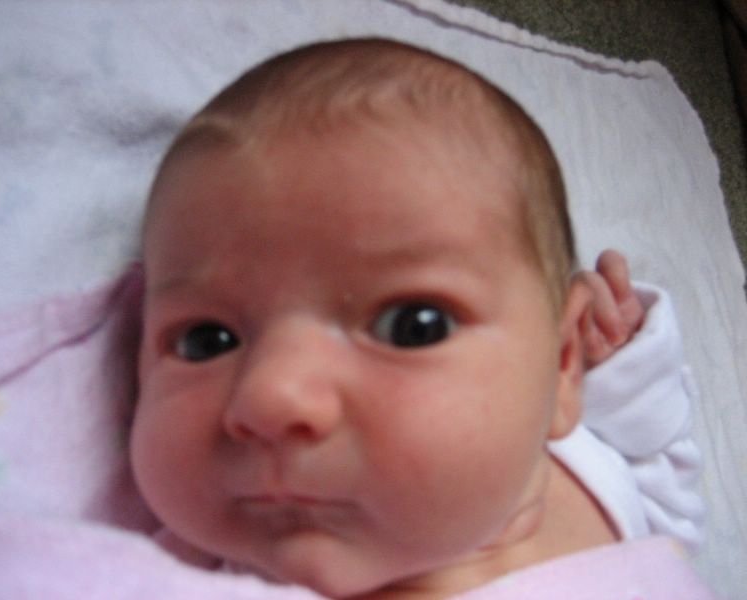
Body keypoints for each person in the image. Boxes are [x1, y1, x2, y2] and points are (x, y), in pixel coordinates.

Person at [130, 38, 705, 599]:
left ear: (560, 364)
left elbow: (667, 501)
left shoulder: (587, 462)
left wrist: (626, 369)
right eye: (207, 340)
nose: (273, 396)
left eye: (414, 326)